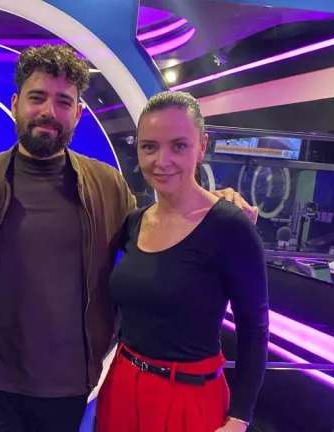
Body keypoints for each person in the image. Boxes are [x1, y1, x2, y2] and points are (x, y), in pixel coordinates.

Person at [0, 44, 258, 432]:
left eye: (63, 101)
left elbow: (164, 222)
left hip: (70, 390)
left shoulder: (107, 185)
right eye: (37, 97)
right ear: (15, 104)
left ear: (78, 113)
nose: (49, 111)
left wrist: (215, 204)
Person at [96, 91, 269, 432]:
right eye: (149, 147)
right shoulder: (134, 222)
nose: (162, 161)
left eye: (178, 146)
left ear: (201, 146)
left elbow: (255, 328)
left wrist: (239, 418)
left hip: (188, 397)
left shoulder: (230, 226)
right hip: (122, 386)